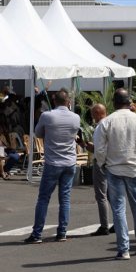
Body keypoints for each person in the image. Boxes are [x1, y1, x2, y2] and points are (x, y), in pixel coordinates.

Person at [96, 88, 136, 260]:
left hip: (114, 169)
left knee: (119, 210)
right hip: (134, 168)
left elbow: (99, 148)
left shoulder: (106, 122)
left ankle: (124, 249)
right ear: (129, 102)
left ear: (114, 103)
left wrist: (103, 163)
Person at [24, 91, 81, 244]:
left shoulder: (47, 116)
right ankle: (62, 232)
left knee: (43, 198)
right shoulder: (76, 117)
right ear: (69, 101)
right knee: (65, 198)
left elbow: (38, 133)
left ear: (54, 101)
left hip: (53, 162)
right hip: (69, 162)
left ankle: (37, 234)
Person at [84, 103, 113, 236]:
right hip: (112, 161)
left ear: (98, 113)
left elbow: (97, 148)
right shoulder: (111, 122)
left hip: (101, 162)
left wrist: (84, 145)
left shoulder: (100, 125)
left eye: (93, 115)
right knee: (112, 195)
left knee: (101, 195)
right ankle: (117, 223)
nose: (92, 117)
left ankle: (104, 225)